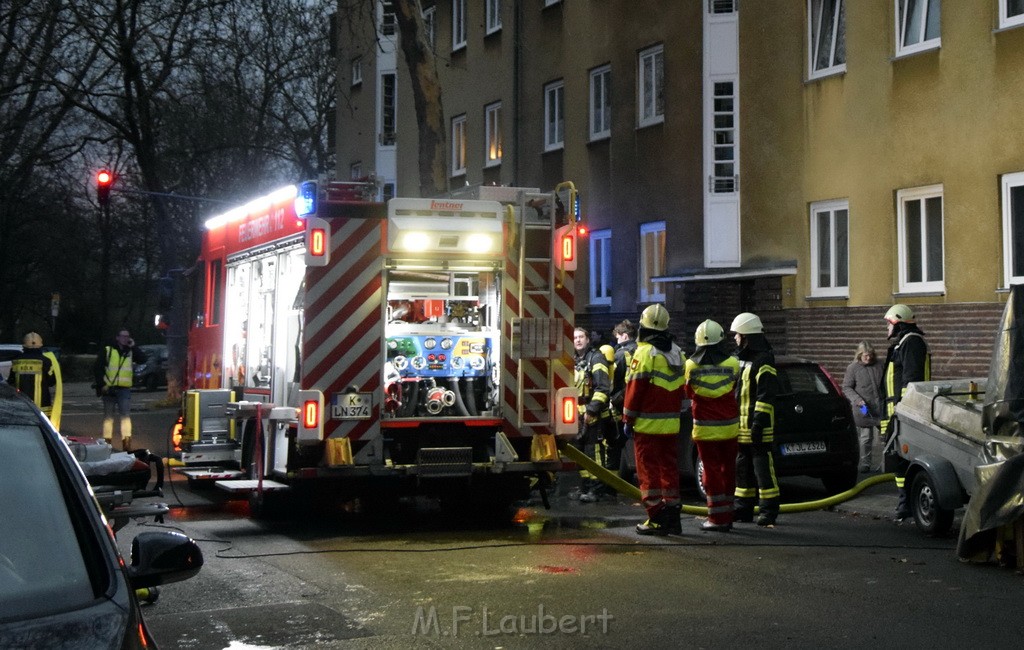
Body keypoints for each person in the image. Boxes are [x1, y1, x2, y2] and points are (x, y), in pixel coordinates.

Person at [622, 304, 686, 536]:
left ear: (643, 327)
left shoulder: (644, 353)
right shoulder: (678, 352)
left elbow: (635, 390)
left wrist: (627, 418)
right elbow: (682, 389)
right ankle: (673, 518)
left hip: (647, 426)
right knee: (669, 469)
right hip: (671, 425)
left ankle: (656, 518)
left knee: (648, 472)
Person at [685, 320, 740, 532]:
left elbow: (688, 393)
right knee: (728, 470)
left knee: (711, 472)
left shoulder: (691, 365)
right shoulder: (733, 364)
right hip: (730, 428)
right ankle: (728, 511)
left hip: (705, 430)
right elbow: (734, 387)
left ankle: (716, 517)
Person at [880, 304, 930, 521]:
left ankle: (906, 505)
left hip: (904, 413)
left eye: (888, 324)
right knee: (898, 460)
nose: (886, 329)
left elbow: (911, 379)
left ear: (897, 322)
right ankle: (904, 504)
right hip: (895, 413)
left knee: (904, 460)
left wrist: (903, 409)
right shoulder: (903, 344)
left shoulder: (912, 343)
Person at [730, 312, 781, 527]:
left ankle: (768, 511)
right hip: (741, 427)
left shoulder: (764, 360)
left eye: (738, 335)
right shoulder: (742, 359)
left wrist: (758, 423)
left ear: (747, 336)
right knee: (743, 471)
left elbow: (765, 396)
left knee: (763, 470)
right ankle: (743, 508)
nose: (735, 338)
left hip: (759, 427)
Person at [572, 327, 614, 503]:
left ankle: (597, 489)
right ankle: (585, 486)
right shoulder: (574, 360)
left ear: (588, 339)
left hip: (592, 415)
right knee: (579, 453)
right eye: (575, 338)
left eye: (582, 336)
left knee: (594, 452)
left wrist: (591, 410)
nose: (578, 340)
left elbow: (603, 387)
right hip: (576, 415)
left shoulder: (596, 358)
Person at [94, 328, 147, 451]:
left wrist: (134, 347)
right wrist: (102, 384)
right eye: (123, 336)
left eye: (127, 336)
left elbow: (143, 359)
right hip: (109, 388)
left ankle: (126, 444)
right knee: (108, 417)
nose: (125, 339)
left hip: (124, 388)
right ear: (117, 337)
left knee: (125, 416)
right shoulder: (108, 350)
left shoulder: (130, 351)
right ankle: (107, 444)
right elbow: (98, 368)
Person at [842, 341, 885, 473]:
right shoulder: (853, 368)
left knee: (885, 436)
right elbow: (846, 387)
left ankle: (886, 464)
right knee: (866, 437)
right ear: (860, 355)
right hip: (863, 407)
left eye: (871, 355)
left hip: (880, 406)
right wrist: (857, 400)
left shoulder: (880, 365)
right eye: (866, 355)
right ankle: (865, 463)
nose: (869, 358)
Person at [7, 332, 63, 427]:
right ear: (40, 346)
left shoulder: (17, 361)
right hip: (42, 405)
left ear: (24, 346)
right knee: (42, 430)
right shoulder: (46, 361)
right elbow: (51, 382)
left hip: (21, 404)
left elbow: (10, 382)